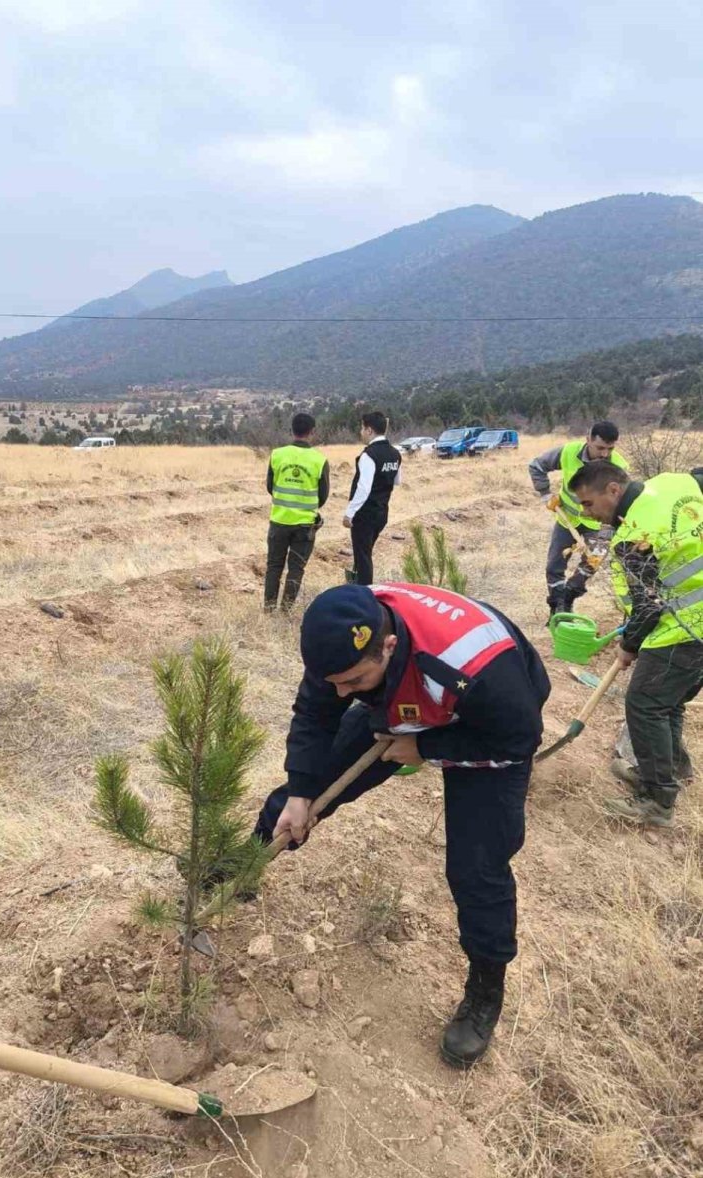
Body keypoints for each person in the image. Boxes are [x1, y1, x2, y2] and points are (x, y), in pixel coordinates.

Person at [251, 582, 550, 1068]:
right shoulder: (339, 636)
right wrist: (304, 789)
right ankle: (237, 868)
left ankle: (484, 991)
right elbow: (315, 712)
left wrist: (428, 748)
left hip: (489, 726)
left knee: (477, 869)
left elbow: (519, 741)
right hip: (409, 696)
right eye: (335, 684)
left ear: (387, 645)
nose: (342, 694)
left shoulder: (476, 669)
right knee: (301, 791)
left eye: (352, 682)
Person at [571, 460, 703, 828]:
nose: (588, 514)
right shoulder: (674, 483)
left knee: (645, 705)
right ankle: (669, 770)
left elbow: (647, 605)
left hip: (685, 630)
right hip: (694, 624)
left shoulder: (636, 534)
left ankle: (657, 801)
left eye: (588, 504)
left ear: (613, 490)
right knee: (668, 702)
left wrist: (628, 645)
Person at [528, 421, 629, 617]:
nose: (604, 454)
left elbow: (623, 504)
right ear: (588, 440)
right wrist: (546, 494)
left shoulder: (619, 467)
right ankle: (557, 610)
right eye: (600, 448)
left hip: (601, 525)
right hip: (568, 520)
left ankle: (568, 598)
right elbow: (537, 465)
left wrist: (611, 531)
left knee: (591, 564)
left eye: (610, 449)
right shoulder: (568, 452)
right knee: (554, 566)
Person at [264, 413, 330, 612]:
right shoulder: (320, 460)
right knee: (296, 568)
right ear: (312, 432)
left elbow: (270, 486)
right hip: (305, 525)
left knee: (274, 566)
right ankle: (285, 610)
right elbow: (323, 496)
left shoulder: (277, 455)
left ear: (291, 431)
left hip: (279, 520)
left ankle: (268, 609)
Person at [343, 412, 402, 585]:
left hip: (365, 515)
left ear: (369, 430)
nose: (360, 432)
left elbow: (363, 488)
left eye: (362, 428)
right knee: (364, 554)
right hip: (382, 512)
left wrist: (349, 513)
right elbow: (397, 480)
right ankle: (358, 585)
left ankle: (364, 594)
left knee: (363, 558)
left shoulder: (368, 455)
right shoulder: (395, 454)